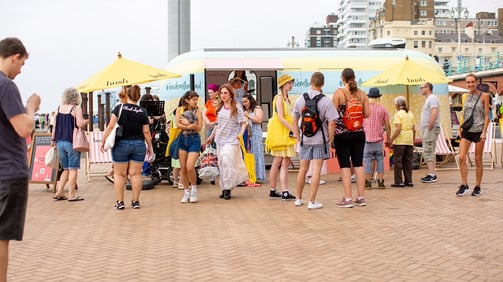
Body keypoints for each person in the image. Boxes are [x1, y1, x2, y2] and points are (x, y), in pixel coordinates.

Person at [0, 37, 41, 282]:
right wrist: (31, 107)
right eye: (22, 64)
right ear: (15, 56)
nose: (20, 70)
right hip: (8, 172)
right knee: (2, 236)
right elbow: (23, 128)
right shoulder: (5, 85)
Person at [100, 85, 153, 210]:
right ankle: (135, 201)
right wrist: (150, 146)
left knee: (119, 174)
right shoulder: (142, 111)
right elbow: (146, 132)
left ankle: (120, 202)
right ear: (138, 96)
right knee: (135, 175)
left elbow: (111, 126)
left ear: (127, 95)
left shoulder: (119, 108)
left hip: (121, 144)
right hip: (138, 144)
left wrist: (103, 140)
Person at [292, 72, 337, 209]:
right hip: (319, 140)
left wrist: (297, 135)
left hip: (305, 139)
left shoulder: (301, 99)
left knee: (303, 169)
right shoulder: (326, 101)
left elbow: (294, 119)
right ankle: (312, 201)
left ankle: (298, 199)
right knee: (316, 170)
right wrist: (330, 139)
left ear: (310, 82)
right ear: (322, 84)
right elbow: (332, 122)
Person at [332, 68, 370, 208]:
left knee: (345, 166)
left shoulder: (339, 93)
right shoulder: (362, 94)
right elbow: (367, 114)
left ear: (342, 78)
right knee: (358, 164)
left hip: (342, 134)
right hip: (359, 133)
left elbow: (332, 116)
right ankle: (360, 197)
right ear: (354, 78)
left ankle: (348, 198)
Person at [207, 84, 248, 200]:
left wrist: (240, 133)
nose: (223, 95)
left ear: (230, 94)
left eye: (225, 93)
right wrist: (211, 136)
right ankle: (224, 187)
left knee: (227, 160)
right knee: (222, 164)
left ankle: (228, 188)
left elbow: (243, 122)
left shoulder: (236, 107)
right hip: (220, 139)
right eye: (221, 93)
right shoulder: (219, 107)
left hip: (232, 139)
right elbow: (218, 124)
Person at [51, 87, 88, 202]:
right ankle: (71, 195)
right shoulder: (76, 108)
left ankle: (59, 192)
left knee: (65, 169)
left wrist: (53, 140)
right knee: (73, 169)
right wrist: (87, 121)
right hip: (71, 142)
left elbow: (55, 126)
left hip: (59, 142)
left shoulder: (58, 108)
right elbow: (80, 124)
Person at [456, 73, 490, 197]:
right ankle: (464, 184)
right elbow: (464, 114)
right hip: (466, 130)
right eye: (468, 82)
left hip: (479, 130)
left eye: (472, 82)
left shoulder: (484, 96)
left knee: (477, 160)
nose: (470, 84)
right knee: (461, 157)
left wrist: (484, 132)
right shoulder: (465, 96)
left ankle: (477, 186)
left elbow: (487, 116)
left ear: (476, 82)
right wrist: (460, 127)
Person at [267, 74, 297, 200]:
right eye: (289, 83)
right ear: (283, 85)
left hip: (285, 133)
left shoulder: (286, 99)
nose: (291, 85)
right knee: (279, 161)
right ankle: (278, 190)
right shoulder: (279, 98)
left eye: (291, 83)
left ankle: (279, 190)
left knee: (283, 161)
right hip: (281, 133)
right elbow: (280, 117)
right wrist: (293, 129)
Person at [175, 91, 203, 203]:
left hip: (194, 139)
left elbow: (199, 127)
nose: (196, 102)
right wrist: (190, 125)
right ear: (187, 100)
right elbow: (178, 124)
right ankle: (186, 191)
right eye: (194, 99)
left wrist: (187, 124)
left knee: (190, 166)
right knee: (183, 168)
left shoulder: (198, 111)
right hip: (182, 139)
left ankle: (194, 189)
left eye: (197, 99)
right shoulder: (179, 110)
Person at [363, 87, 391, 189]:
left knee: (367, 161)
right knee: (380, 161)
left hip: (367, 140)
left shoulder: (365, 109)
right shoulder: (383, 108)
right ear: (379, 97)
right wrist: (389, 139)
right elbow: (387, 125)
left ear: (369, 97)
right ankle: (381, 182)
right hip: (379, 140)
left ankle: (368, 182)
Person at [386, 96, 416, 188]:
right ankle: (409, 181)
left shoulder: (398, 114)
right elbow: (414, 130)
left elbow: (398, 129)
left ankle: (399, 181)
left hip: (400, 141)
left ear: (398, 104)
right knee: (408, 161)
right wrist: (413, 141)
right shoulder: (411, 114)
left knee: (398, 161)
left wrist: (391, 139)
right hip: (409, 140)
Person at [105, 90, 129, 183]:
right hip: (120, 134)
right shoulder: (119, 107)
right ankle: (112, 173)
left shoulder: (118, 106)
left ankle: (113, 173)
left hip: (118, 135)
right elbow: (112, 124)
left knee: (120, 158)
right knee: (123, 158)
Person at [242, 94, 266, 184]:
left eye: (246, 101)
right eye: (243, 102)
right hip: (247, 134)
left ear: (250, 100)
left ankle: (258, 174)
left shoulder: (257, 108)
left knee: (256, 153)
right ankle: (250, 174)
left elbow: (259, 120)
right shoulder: (246, 110)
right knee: (249, 153)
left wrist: (248, 115)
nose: (244, 104)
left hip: (255, 133)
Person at [419, 82, 440, 183]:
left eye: (421, 87)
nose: (420, 89)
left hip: (430, 129)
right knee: (427, 150)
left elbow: (434, 112)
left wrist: (429, 127)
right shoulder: (429, 99)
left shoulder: (432, 98)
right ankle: (431, 173)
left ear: (427, 88)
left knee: (428, 150)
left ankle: (432, 174)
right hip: (428, 129)